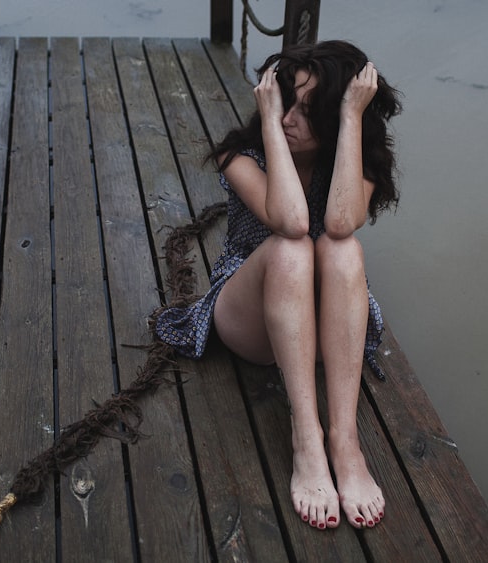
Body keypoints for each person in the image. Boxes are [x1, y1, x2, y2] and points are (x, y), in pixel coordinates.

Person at [155, 40, 402, 530]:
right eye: (284, 101)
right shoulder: (240, 155)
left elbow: (338, 221)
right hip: (251, 318)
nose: (290, 117)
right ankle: (307, 439)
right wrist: (270, 123)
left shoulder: (355, 160)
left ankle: (345, 441)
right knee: (292, 250)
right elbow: (290, 221)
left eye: (308, 111)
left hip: (322, 324)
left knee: (341, 247)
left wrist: (353, 118)